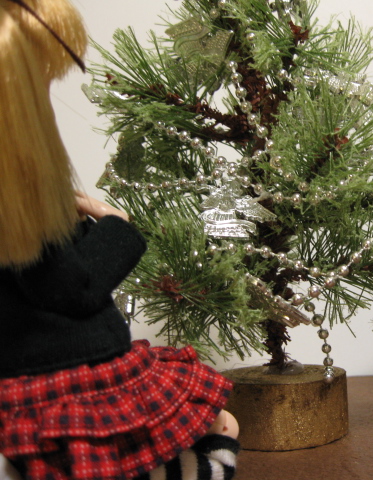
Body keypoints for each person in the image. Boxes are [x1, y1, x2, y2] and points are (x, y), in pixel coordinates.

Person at [0, 1, 238, 478]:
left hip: (37, 367)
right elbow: (74, 286)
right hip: (70, 375)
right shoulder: (18, 208)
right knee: (220, 425)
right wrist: (116, 223)